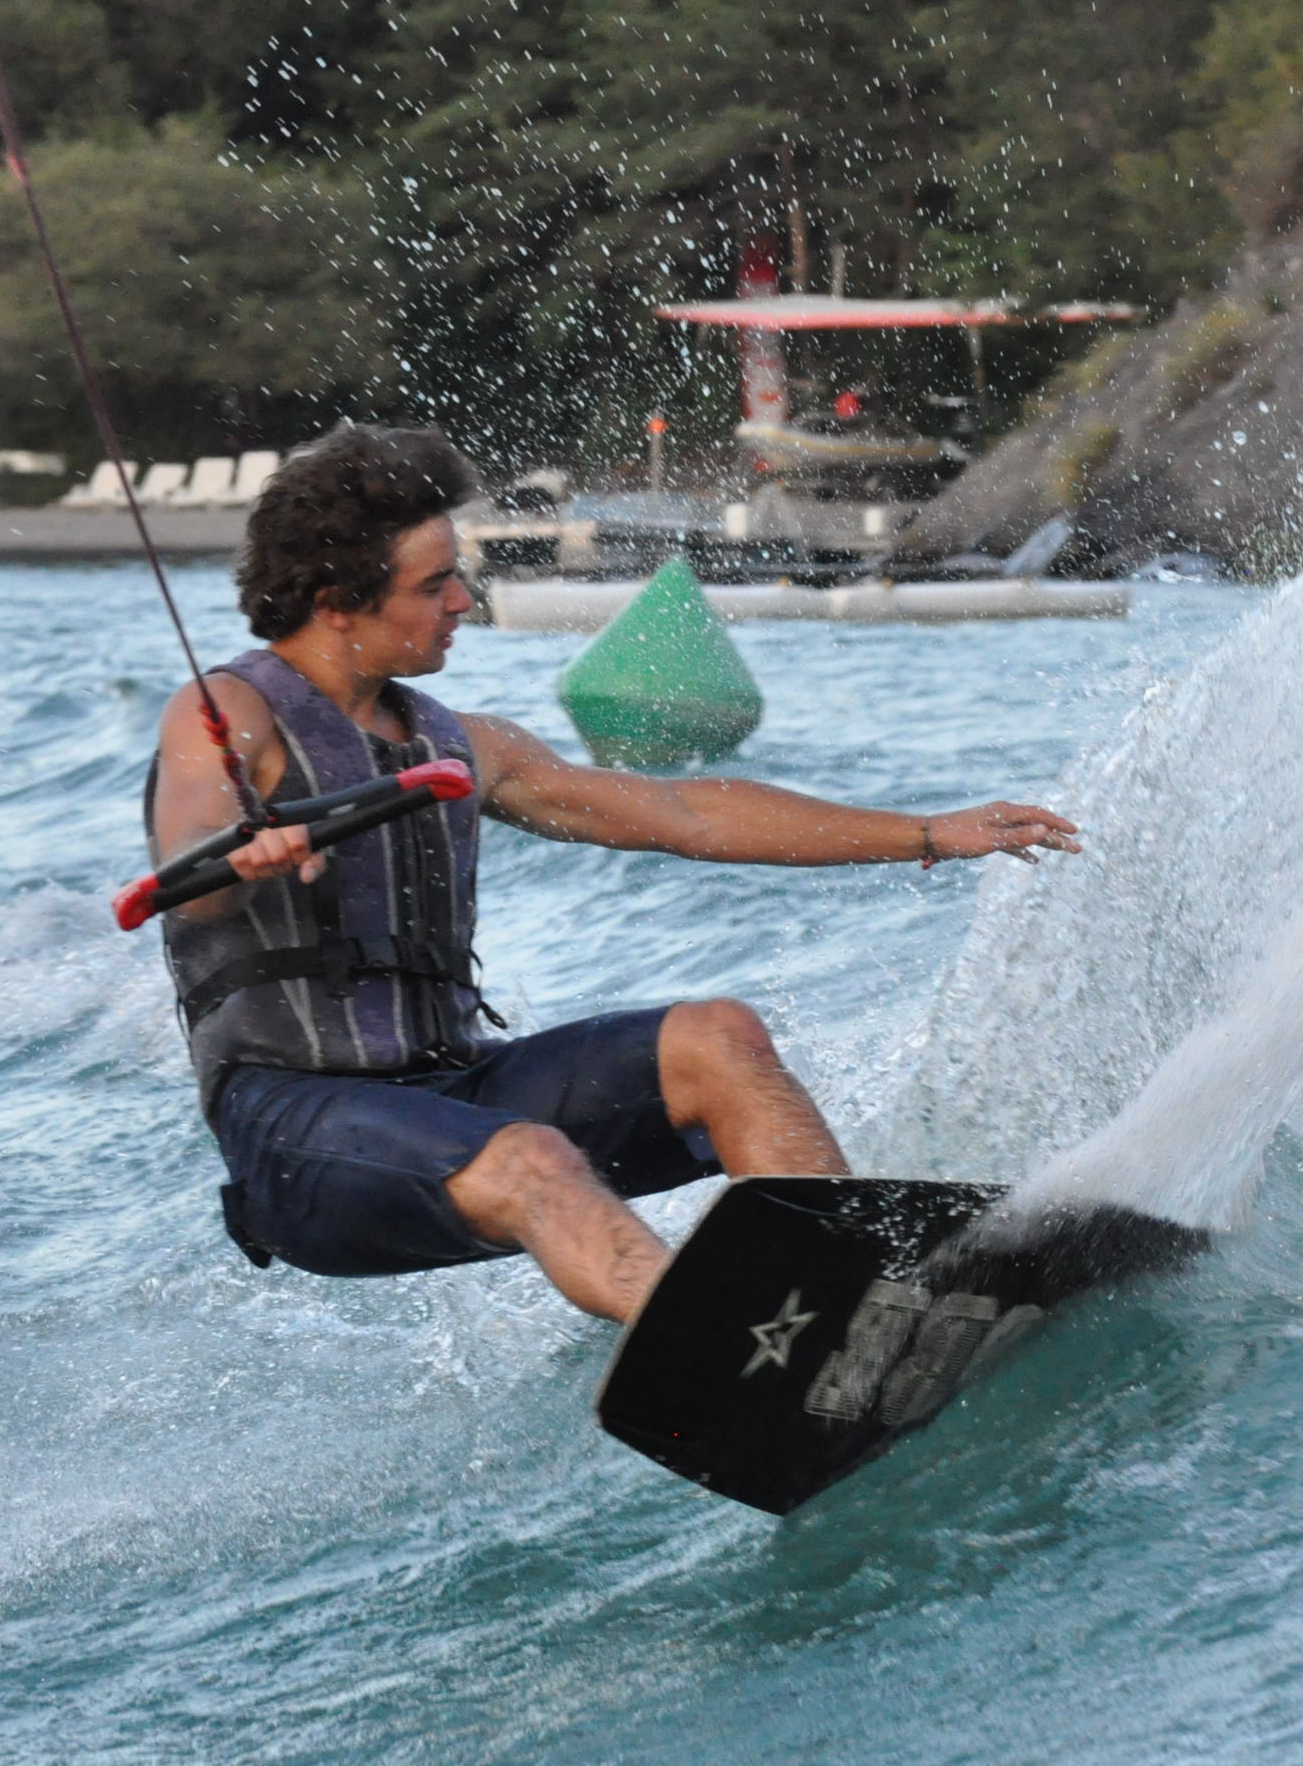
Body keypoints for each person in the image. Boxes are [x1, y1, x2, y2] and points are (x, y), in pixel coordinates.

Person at [145, 424, 1078, 1322]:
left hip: (450, 1093)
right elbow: (188, 847)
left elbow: (688, 813)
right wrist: (239, 853)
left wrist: (927, 831)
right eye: (435, 585)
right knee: (533, 1160)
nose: (464, 600)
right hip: (295, 1137)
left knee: (718, 1040)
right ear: (336, 600)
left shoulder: (460, 743)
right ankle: (722, 1344)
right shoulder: (227, 713)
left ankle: (850, 1296)